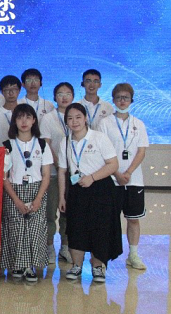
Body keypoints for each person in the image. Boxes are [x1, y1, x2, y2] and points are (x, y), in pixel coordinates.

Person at [58, 103, 120, 283]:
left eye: (78, 117)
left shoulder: (99, 137)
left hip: (100, 189)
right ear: (66, 122)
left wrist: (92, 177)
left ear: (85, 118)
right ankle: (76, 265)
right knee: (76, 228)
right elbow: (62, 171)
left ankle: (98, 267)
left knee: (100, 228)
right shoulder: (65, 142)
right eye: (70, 118)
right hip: (77, 190)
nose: (74, 121)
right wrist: (62, 196)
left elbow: (113, 164)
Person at [0, 104, 52, 282]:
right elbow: (4, 177)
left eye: (28, 117)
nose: (24, 121)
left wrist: (38, 198)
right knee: (16, 229)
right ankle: (17, 265)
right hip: (14, 191)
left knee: (35, 230)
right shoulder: (7, 145)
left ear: (34, 120)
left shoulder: (42, 144)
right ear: (14, 121)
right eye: (20, 117)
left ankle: (30, 266)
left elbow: (46, 175)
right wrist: (16, 200)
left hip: (37, 190)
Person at [99, 83, 149, 270]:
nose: (122, 101)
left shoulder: (139, 124)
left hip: (134, 180)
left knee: (133, 219)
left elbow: (141, 151)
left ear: (131, 100)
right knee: (108, 221)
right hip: (111, 179)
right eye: (119, 97)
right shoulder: (105, 123)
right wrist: (117, 173)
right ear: (113, 100)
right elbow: (102, 152)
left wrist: (128, 173)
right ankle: (103, 257)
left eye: (126, 97)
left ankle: (133, 255)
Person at [39, 82, 75, 264]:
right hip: (53, 172)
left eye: (68, 93)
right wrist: (59, 164)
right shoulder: (48, 118)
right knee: (50, 213)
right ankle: (49, 247)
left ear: (73, 96)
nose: (64, 97)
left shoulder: (76, 116)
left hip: (73, 174)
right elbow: (45, 144)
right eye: (60, 93)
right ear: (55, 97)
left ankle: (65, 247)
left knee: (69, 213)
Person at [0, 75, 21, 145]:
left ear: (19, 90)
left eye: (14, 89)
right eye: (7, 89)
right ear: (2, 91)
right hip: (4, 151)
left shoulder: (26, 112)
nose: (11, 93)